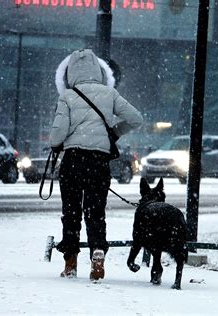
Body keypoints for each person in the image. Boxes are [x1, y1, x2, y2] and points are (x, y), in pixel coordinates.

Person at [49, 49, 143, 281]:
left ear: (70, 72)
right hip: (98, 163)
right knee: (95, 213)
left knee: (71, 213)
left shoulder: (68, 97)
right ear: (98, 71)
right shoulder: (109, 94)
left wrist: (62, 139)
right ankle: (98, 259)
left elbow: (56, 136)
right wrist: (114, 133)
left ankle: (70, 262)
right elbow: (136, 118)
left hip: (73, 161)